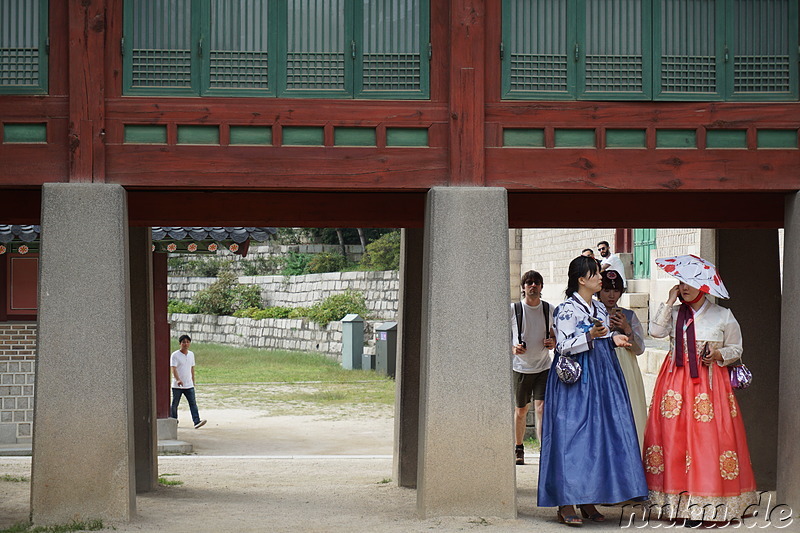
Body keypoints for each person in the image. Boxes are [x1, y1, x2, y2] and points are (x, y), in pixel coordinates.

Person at [538, 256, 647, 527]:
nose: (601, 277)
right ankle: (566, 502)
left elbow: (604, 334)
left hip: (603, 375)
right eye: (596, 273)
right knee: (571, 437)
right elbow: (561, 346)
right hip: (575, 380)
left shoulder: (598, 306)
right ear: (581, 279)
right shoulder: (565, 309)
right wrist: (591, 337)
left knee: (600, 435)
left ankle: (588, 498)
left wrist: (615, 337)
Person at [644, 276, 757, 525]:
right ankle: (676, 504)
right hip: (674, 384)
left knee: (710, 440)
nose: (684, 288)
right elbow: (655, 332)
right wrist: (668, 301)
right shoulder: (674, 313)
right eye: (681, 283)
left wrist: (718, 354)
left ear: (704, 287)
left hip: (709, 385)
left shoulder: (722, 315)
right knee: (673, 439)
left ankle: (710, 503)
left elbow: (736, 349)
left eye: (690, 283)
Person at [596, 269, 647, 453]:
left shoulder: (629, 315)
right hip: (600, 364)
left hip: (626, 366)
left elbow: (640, 348)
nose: (611, 295)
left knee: (630, 406)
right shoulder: (592, 312)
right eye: (607, 290)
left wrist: (626, 328)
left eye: (616, 290)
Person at [510, 270, 556, 465]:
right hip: (521, 368)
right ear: (523, 287)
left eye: (536, 282)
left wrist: (553, 342)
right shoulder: (514, 309)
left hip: (543, 366)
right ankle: (518, 447)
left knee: (541, 408)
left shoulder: (549, 309)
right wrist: (513, 348)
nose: (533, 286)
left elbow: (557, 334)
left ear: (541, 287)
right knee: (521, 409)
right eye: (529, 283)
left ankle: (543, 447)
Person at [170, 334, 207, 429]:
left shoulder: (191, 354)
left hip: (188, 384)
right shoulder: (175, 355)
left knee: (193, 403)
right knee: (175, 404)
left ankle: (196, 421)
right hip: (177, 386)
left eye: (187, 342)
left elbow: (192, 368)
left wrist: (193, 380)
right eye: (183, 342)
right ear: (180, 343)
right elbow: (173, 368)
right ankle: (173, 420)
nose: (185, 344)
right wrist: (178, 379)